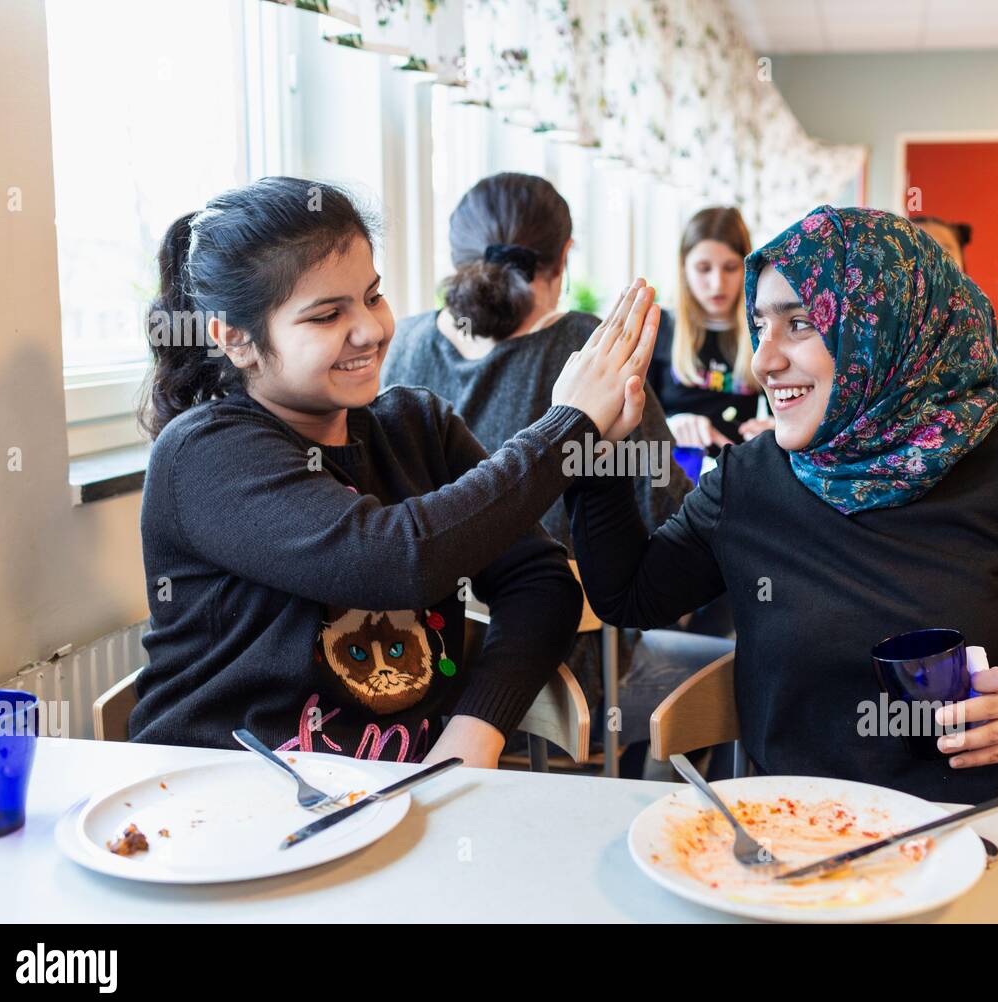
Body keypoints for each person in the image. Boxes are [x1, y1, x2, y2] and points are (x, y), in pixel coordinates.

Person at [566, 206, 998, 813]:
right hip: (805, 842)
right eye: (760, 327)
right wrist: (593, 447)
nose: (763, 361)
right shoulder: (751, 481)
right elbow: (628, 595)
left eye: (799, 324)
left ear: (886, 324)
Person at [130, 176, 657, 769]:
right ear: (239, 340)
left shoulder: (417, 426)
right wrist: (566, 429)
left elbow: (540, 580)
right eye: (328, 315)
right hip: (216, 795)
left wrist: (475, 730)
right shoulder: (204, 453)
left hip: (397, 797)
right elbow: (394, 560)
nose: (373, 330)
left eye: (373, 296)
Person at [380, 173, 733, 777]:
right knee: (737, 668)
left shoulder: (403, 344)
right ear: (564, 258)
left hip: (422, 673)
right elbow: (669, 524)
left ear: (458, 259)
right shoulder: (588, 353)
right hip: (571, 679)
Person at [648, 207, 772, 450]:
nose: (717, 284)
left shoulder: (764, 330)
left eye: (730, 268)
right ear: (684, 268)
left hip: (734, 474)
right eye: (704, 269)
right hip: (669, 472)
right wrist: (669, 426)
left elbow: (786, 417)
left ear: (747, 267)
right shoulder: (657, 326)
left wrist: (774, 430)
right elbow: (632, 426)